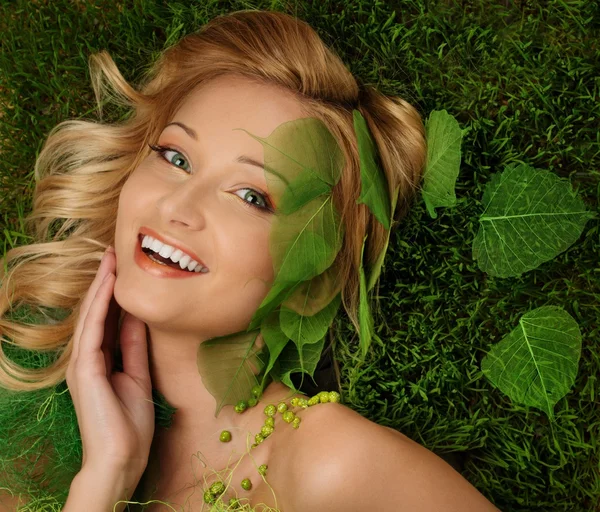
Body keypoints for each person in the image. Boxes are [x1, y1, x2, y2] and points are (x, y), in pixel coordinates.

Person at [0, 9, 500, 512]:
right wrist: (106, 474)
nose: (176, 207)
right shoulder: (24, 419)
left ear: (313, 279)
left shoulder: (333, 465)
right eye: (176, 158)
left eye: (251, 196)